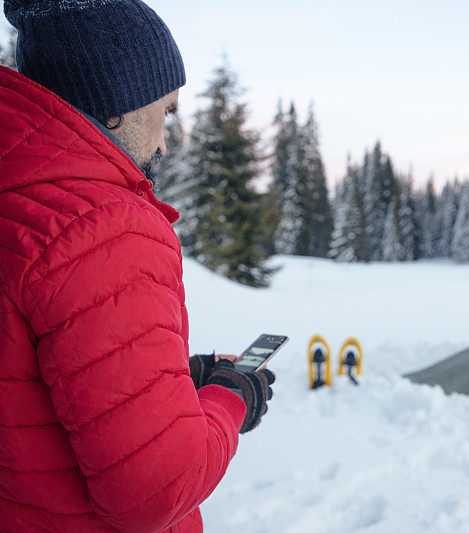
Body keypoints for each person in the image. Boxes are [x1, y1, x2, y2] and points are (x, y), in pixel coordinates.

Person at [0, 1, 274, 531]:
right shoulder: (104, 227)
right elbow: (156, 489)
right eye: (165, 111)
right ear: (115, 103)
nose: (166, 140)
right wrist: (229, 397)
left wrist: (168, 383)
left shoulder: (21, 198)